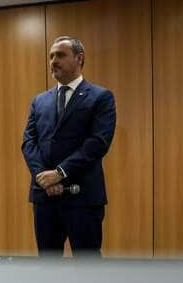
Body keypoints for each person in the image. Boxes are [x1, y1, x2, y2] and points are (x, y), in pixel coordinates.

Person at [21, 36, 116, 258]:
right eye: (51, 56)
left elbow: (97, 143)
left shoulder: (100, 97)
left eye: (60, 55)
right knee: (48, 267)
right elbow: (29, 142)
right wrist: (43, 178)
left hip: (82, 198)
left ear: (79, 59)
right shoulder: (39, 101)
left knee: (87, 268)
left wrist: (60, 173)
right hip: (45, 199)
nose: (53, 60)